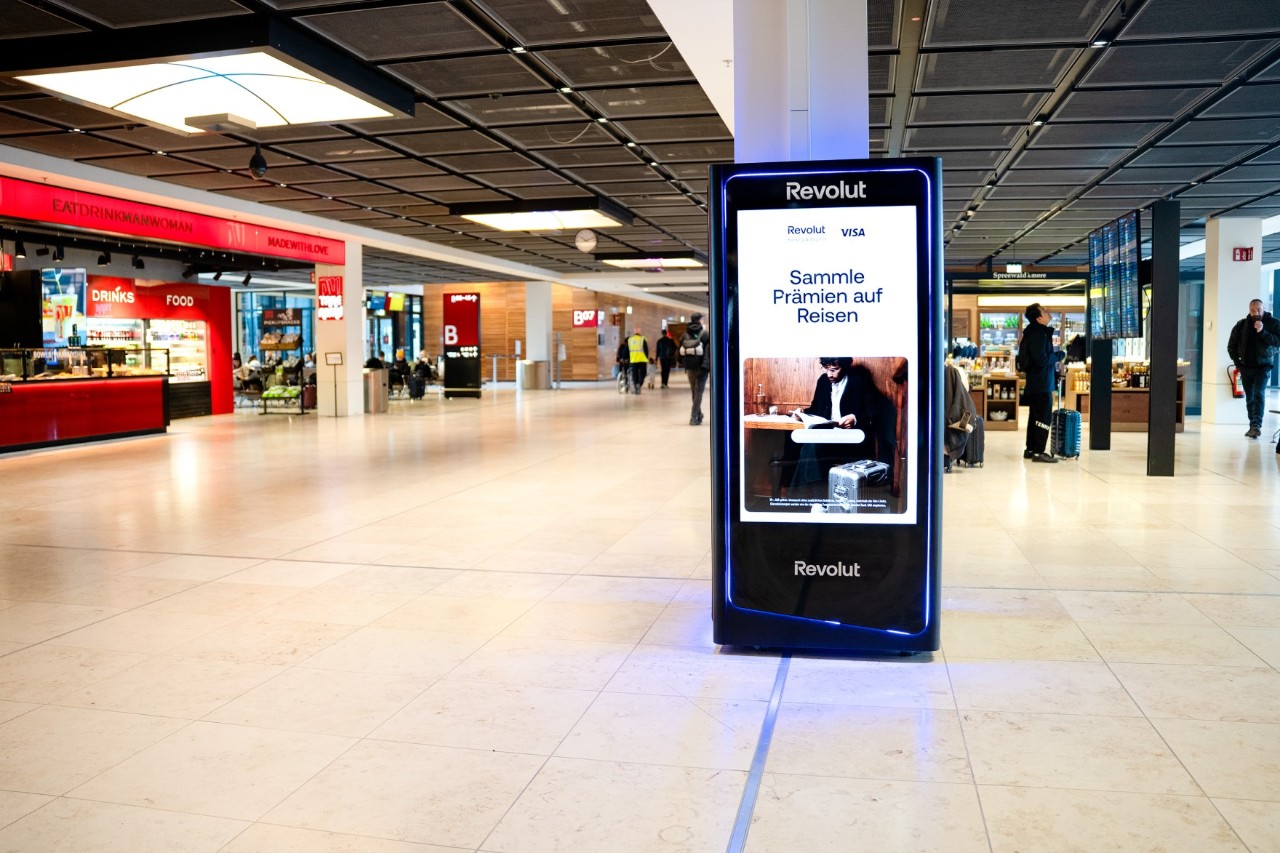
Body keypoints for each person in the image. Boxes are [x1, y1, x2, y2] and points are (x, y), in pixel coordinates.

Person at [1227, 298, 1280, 439]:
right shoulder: (1241, 325)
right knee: (1249, 398)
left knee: (1259, 394)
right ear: (1249, 310)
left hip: (1263, 367)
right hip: (1246, 368)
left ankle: (1256, 426)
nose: (1256, 313)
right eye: (1253, 310)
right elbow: (1231, 346)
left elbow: (1278, 341)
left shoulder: (1273, 323)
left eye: (1259, 310)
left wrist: (1262, 332)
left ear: (1264, 309)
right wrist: (1238, 364)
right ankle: (1252, 426)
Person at [1019, 303, 1061, 463]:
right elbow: (1041, 359)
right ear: (1038, 318)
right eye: (1044, 310)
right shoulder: (1038, 334)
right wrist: (1059, 355)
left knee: (1035, 416)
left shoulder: (1034, 332)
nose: (1047, 311)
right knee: (1043, 418)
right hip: (1042, 382)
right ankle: (1038, 451)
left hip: (1037, 381)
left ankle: (1031, 449)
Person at [681, 314, 710, 425]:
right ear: (700, 320)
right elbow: (709, 352)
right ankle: (693, 417)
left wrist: (685, 364)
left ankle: (699, 414)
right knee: (699, 393)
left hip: (690, 368)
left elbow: (679, 353)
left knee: (694, 392)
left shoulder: (685, 335)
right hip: (702, 368)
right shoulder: (705, 334)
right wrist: (707, 366)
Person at [626, 328, 649, 394]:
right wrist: (646, 358)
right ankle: (639, 384)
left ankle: (636, 384)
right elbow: (646, 350)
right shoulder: (642, 339)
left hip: (633, 359)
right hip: (642, 359)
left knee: (634, 374)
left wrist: (625, 358)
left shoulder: (630, 340)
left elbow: (627, 349)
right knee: (643, 373)